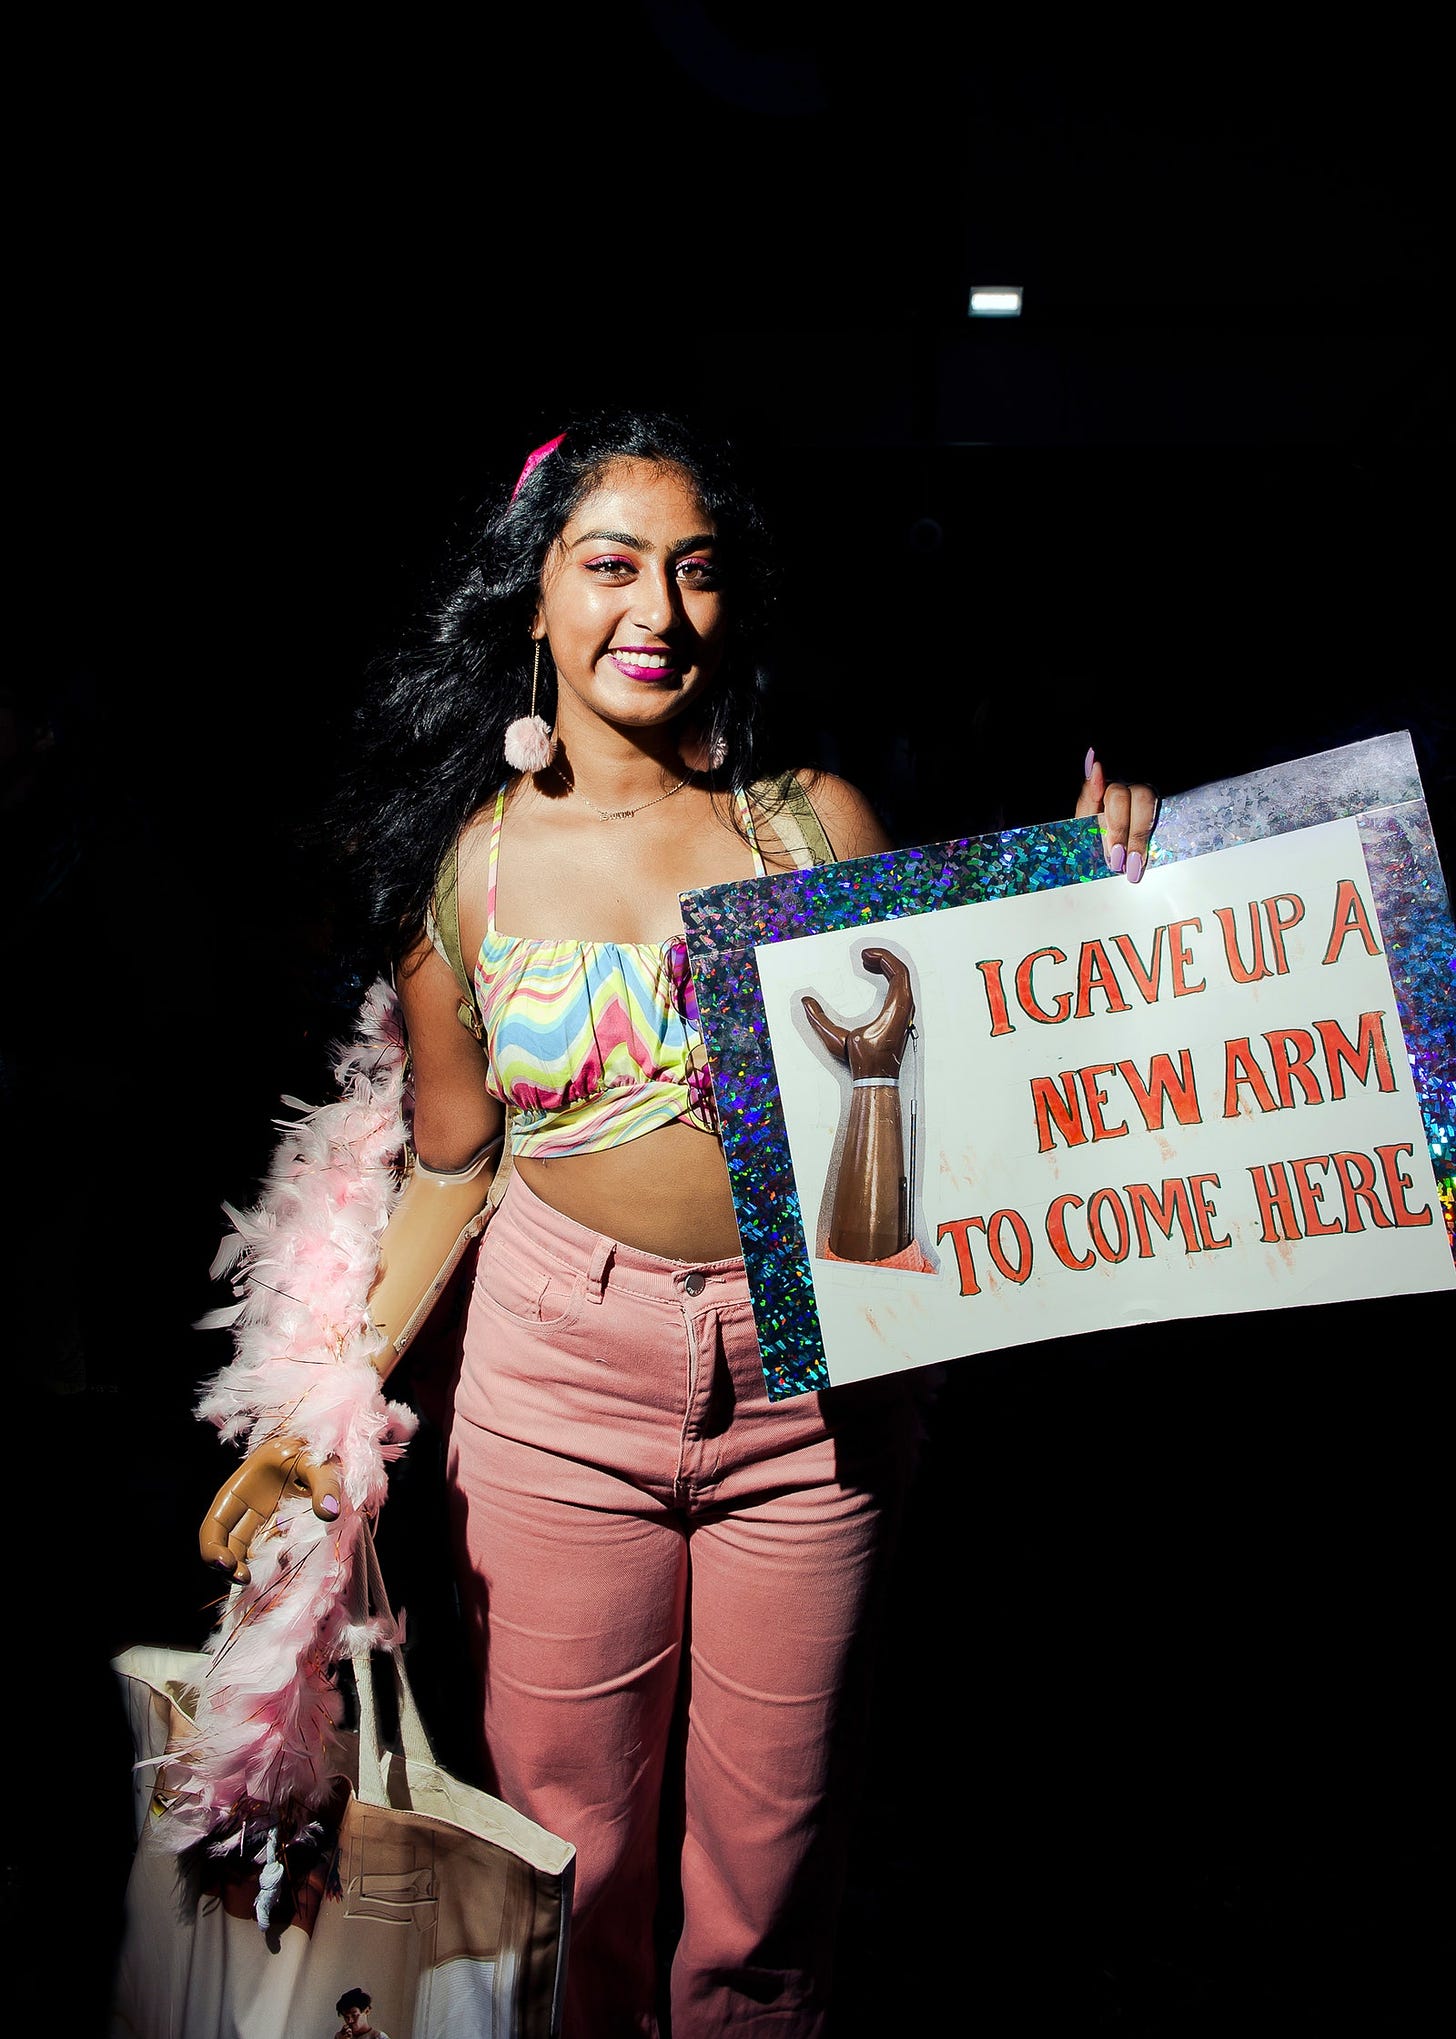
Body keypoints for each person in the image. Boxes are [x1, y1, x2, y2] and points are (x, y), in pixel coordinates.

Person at [196, 407, 1160, 2037]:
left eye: (695, 572)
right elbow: (451, 1167)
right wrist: (319, 1412)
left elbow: (952, 1079)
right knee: (574, 1877)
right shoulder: (474, 875)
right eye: (611, 565)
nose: (656, 610)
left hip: (812, 1393)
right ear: (536, 603)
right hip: (561, 1388)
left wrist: (1103, 874)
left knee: (768, 1886)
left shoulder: (815, 824)